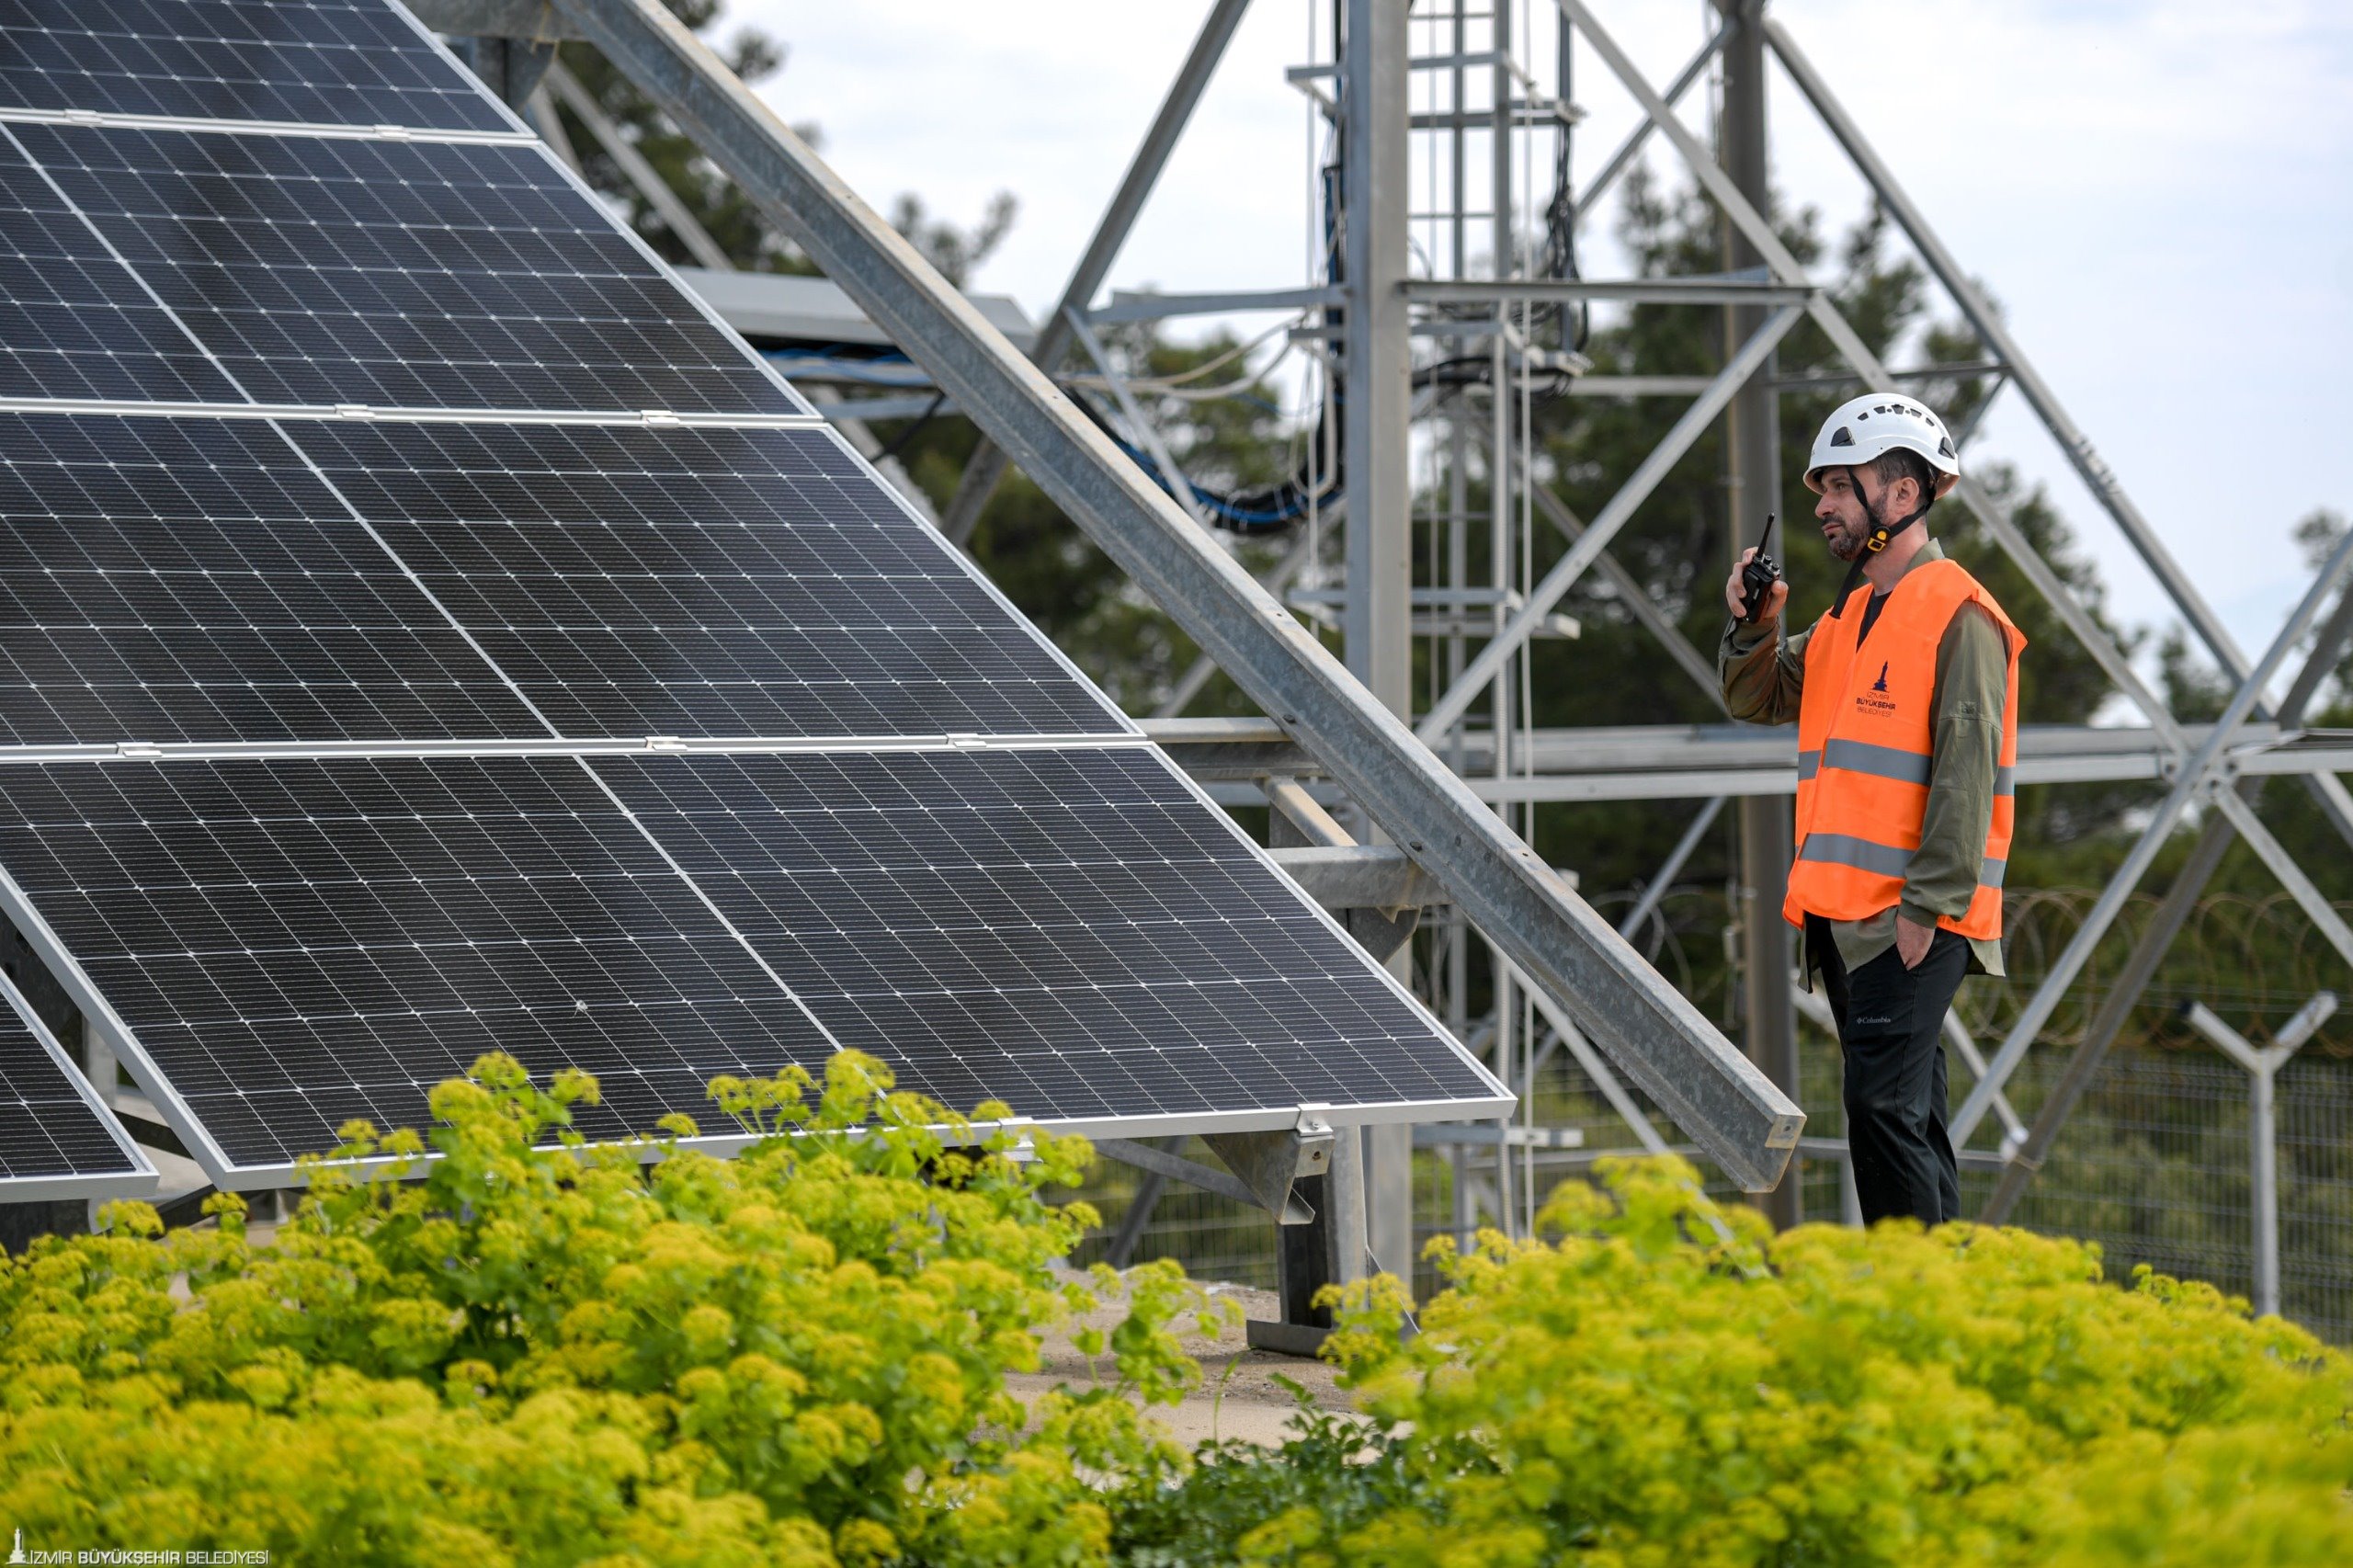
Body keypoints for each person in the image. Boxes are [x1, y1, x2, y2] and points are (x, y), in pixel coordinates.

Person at [1720, 393, 2024, 1225]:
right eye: (1820, 488)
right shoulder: (1848, 616)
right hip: (1849, 922)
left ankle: (1908, 1316)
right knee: (1907, 1119)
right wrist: (1756, 624)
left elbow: (1967, 773)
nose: (1821, 503)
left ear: (1902, 495)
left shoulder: (1960, 615)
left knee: (1883, 1117)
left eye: (1841, 486)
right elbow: (1760, 699)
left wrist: (1925, 910)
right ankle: (1947, 1313)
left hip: (1910, 920)